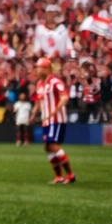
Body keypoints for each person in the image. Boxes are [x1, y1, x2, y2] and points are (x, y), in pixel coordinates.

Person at [32, 56, 76, 184]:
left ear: (47, 68)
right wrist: (34, 114)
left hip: (56, 119)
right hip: (46, 120)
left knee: (52, 145)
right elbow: (39, 101)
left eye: (39, 67)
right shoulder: (40, 84)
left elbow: (65, 97)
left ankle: (71, 175)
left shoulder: (55, 82)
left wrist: (55, 110)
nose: (37, 70)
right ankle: (58, 176)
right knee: (47, 147)